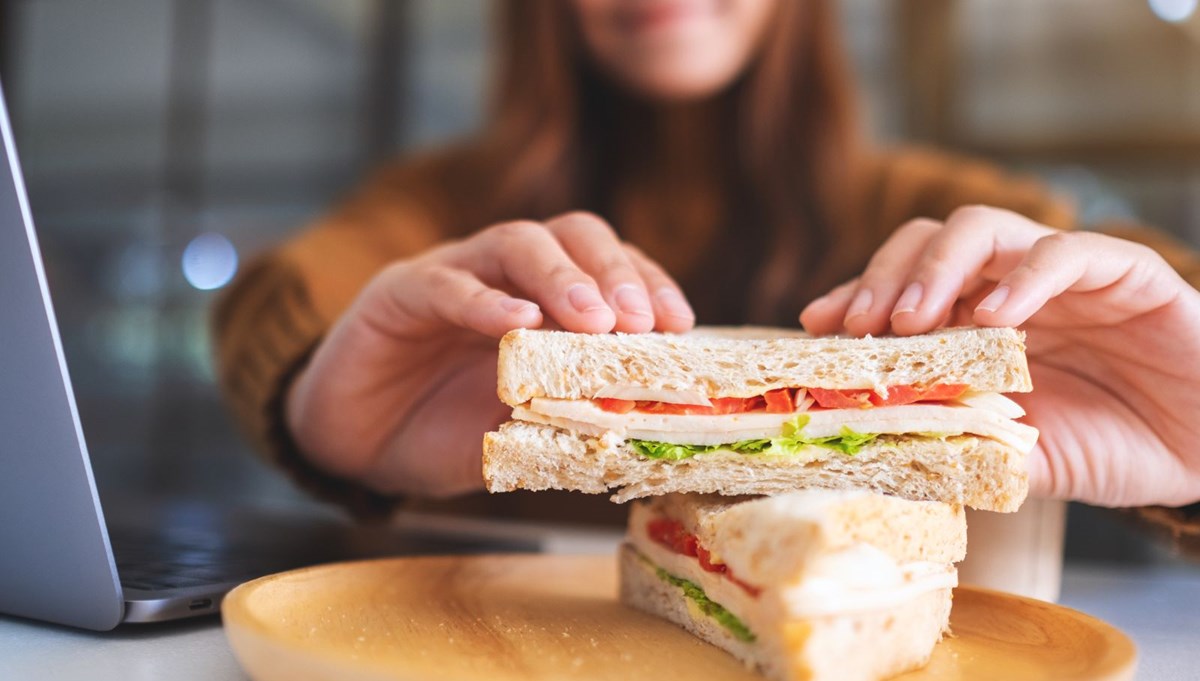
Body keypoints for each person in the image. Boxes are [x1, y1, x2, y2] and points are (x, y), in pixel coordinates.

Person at [214, 0, 1200, 541]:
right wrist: (318, 401)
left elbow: (1138, 284)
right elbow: (293, 288)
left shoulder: (917, 197)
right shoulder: (444, 200)